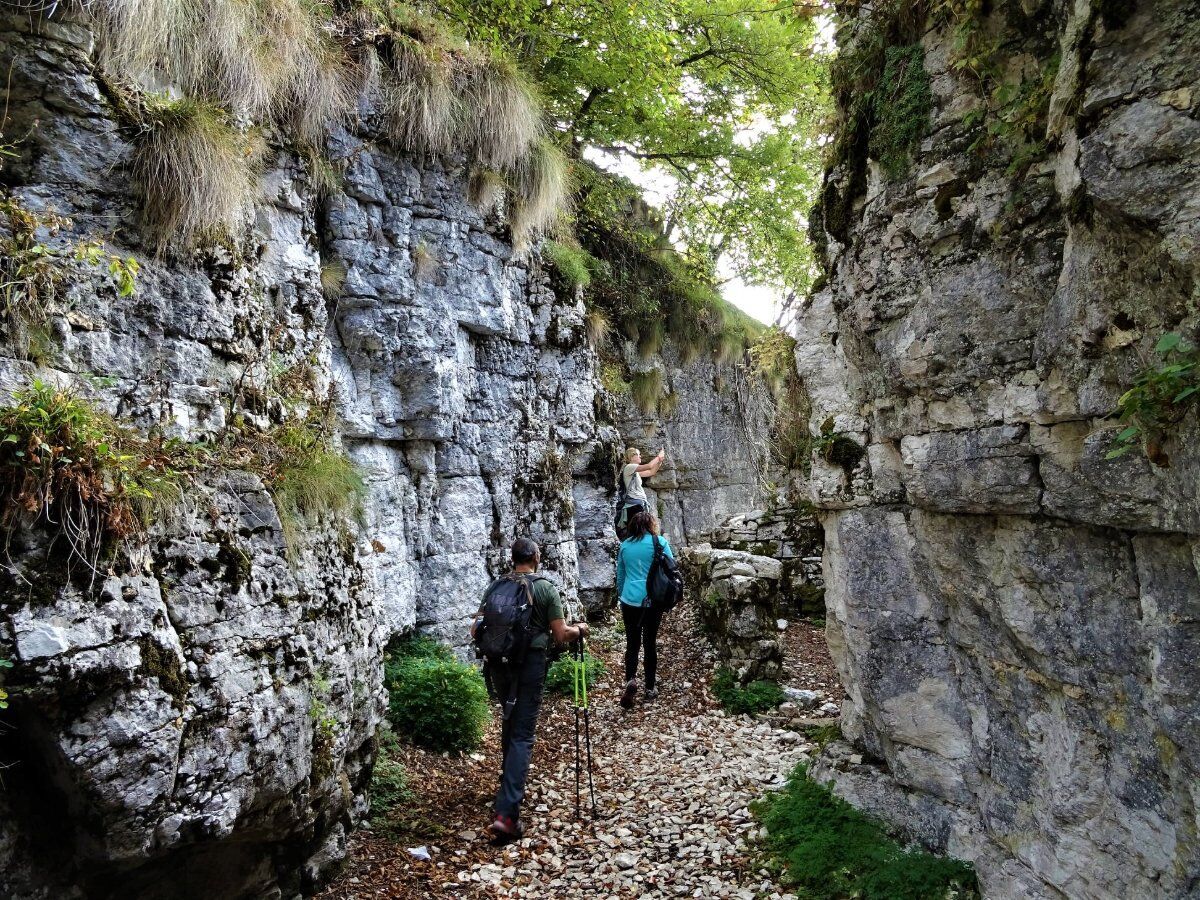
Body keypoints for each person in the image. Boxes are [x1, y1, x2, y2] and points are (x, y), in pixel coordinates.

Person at [470, 537, 589, 843]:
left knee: (509, 723)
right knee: (522, 732)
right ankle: (507, 815)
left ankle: (507, 784)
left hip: (499, 664)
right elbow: (561, 635)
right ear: (536, 557)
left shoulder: (495, 587)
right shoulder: (544, 588)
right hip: (529, 664)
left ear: (513, 559)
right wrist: (581, 630)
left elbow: (475, 630)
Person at [614, 510, 674, 708]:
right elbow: (671, 568)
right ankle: (650, 687)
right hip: (653, 599)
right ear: (651, 525)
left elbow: (620, 576)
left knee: (632, 642)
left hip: (630, 599)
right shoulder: (660, 543)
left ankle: (630, 679)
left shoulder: (625, 546)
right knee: (650, 642)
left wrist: (621, 595)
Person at [614, 446, 665, 538]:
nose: (640, 457)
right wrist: (658, 457)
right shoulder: (629, 467)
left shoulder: (635, 472)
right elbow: (649, 466)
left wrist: (660, 461)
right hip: (634, 505)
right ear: (631, 457)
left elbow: (651, 472)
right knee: (639, 531)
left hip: (638, 504)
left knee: (640, 531)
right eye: (638, 454)